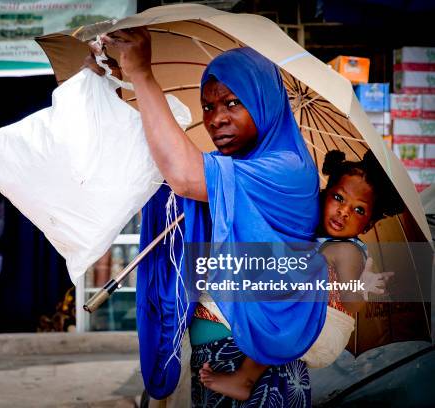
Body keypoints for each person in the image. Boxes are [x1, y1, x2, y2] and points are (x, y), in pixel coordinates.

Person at [87, 29, 328, 406]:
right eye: (208, 107)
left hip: (257, 360)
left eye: (232, 103)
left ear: (264, 103)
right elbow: (168, 170)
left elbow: (183, 176)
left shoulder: (287, 170)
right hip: (211, 359)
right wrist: (111, 94)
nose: (216, 119)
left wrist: (143, 75)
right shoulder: (227, 171)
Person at [198, 149, 404, 400]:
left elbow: (351, 301)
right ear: (325, 194)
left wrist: (363, 286)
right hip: (308, 325)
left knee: (281, 310)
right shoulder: (316, 236)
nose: (344, 212)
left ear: (369, 224)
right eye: (339, 198)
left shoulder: (346, 250)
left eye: (359, 210)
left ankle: (246, 378)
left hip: (324, 329)